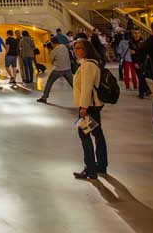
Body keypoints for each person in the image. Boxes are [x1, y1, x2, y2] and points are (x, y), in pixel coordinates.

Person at [72, 39, 108, 180]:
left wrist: (83, 108)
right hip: (92, 106)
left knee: (84, 135)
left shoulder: (88, 65)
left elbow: (87, 88)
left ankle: (90, 169)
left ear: (86, 49)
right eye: (75, 48)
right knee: (98, 135)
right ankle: (101, 165)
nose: (76, 51)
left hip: (88, 106)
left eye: (79, 48)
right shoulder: (89, 64)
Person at [37, 38, 73, 103]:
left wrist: (49, 51)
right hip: (67, 68)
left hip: (58, 69)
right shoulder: (64, 46)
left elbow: (50, 60)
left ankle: (44, 97)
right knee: (73, 84)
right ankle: (82, 97)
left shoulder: (54, 50)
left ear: (53, 43)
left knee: (49, 82)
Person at [129, 29, 152, 99]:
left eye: (138, 33)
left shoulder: (143, 42)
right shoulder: (131, 42)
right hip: (135, 61)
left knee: (141, 77)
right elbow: (131, 53)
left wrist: (136, 52)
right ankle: (147, 90)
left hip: (142, 62)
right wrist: (135, 62)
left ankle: (141, 93)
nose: (137, 34)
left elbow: (144, 53)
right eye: (135, 33)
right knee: (141, 77)